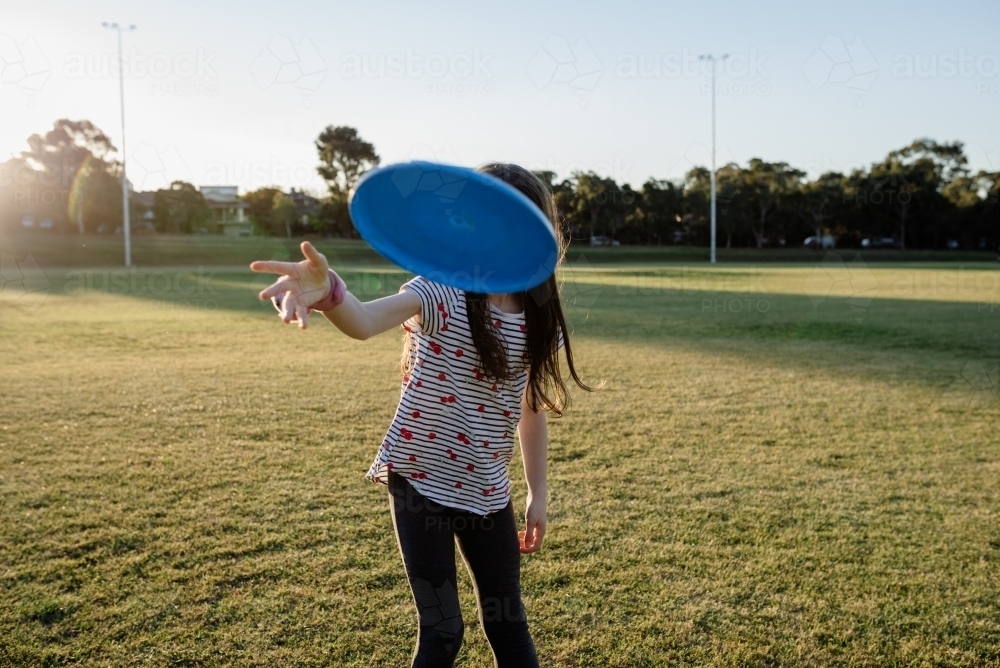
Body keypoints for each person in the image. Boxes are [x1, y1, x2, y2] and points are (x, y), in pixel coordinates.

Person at [250, 163, 591, 668]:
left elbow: (531, 410)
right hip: (419, 481)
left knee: (508, 625)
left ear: (535, 234)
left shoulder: (539, 319)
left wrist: (538, 493)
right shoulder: (440, 290)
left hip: (486, 489)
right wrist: (329, 294)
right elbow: (365, 321)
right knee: (443, 631)